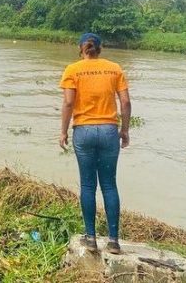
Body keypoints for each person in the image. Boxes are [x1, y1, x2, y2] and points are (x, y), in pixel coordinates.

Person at [59, 32, 131, 255]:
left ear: (81, 49)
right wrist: (125, 130)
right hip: (109, 131)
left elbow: (69, 102)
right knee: (109, 185)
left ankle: (90, 238)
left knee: (88, 185)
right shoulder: (115, 68)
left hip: (84, 131)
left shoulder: (73, 70)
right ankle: (113, 241)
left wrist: (63, 131)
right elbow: (126, 102)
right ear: (100, 49)